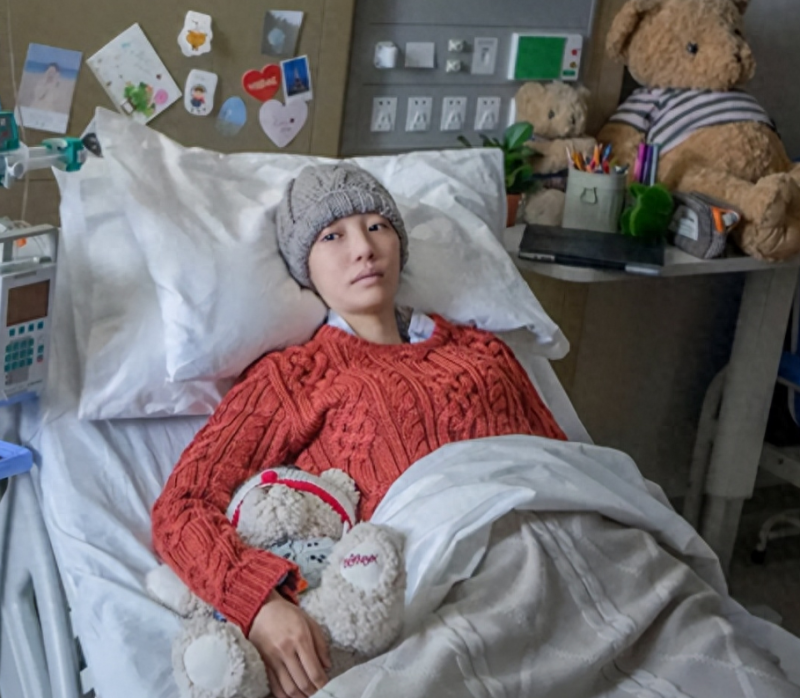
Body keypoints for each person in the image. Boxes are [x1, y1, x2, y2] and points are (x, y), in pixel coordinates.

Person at [151, 164, 567, 698]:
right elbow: (181, 505)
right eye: (333, 236)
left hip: (561, 553)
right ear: (304, 266)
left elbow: (566, 468)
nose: (364, 249)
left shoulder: (484, 352)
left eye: (377, 227)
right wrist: (258, 604)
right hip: (444, 600)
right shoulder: (293, 378)